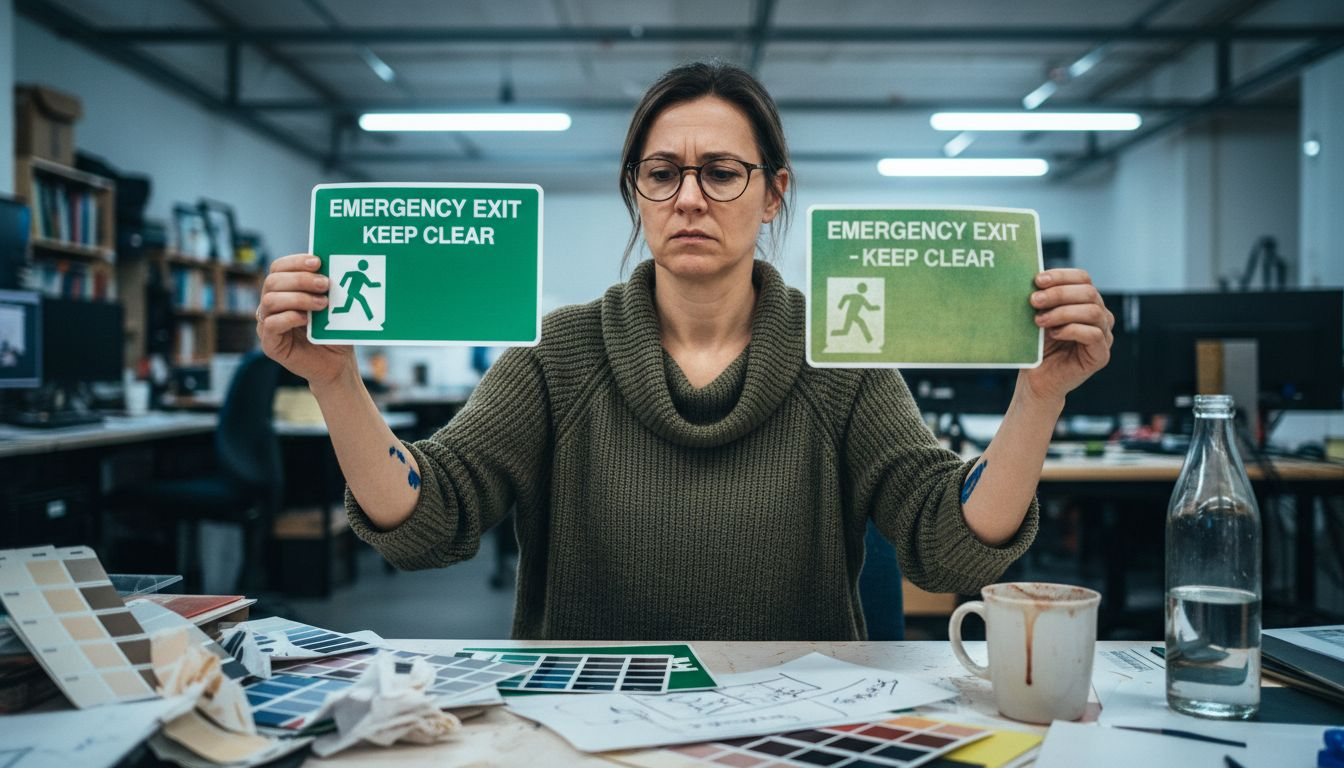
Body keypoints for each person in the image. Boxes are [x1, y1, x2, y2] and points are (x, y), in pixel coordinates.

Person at [256, 61, 1114, 641]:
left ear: (775, 192)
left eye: (722, 171)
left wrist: (1039, 398)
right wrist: (334, 380)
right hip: (585, 726)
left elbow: (951, 542)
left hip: (798, 728)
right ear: (636, 190)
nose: (690, 198)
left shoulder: (841, 358)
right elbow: (427, 518)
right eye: (661, 172)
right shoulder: (561, 354)